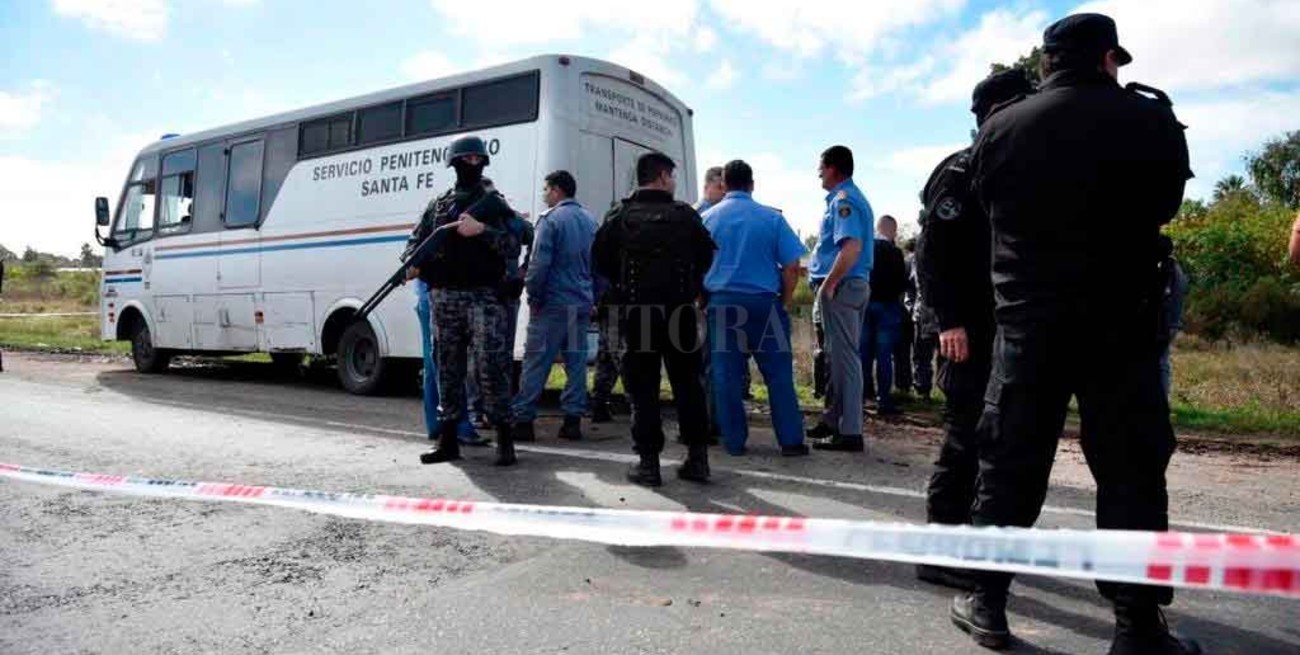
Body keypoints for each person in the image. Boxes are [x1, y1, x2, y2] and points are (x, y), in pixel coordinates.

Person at [951, 14, 1197, 654]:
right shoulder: (1149, 120)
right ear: (1108, 58)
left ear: (1047, 62)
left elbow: (989, 210)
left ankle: (988, 601)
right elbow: (1166, 204)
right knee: (1132, 472)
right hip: (1122, 326)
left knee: (1010, 462)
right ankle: (1136, 623)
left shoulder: (1002, 127)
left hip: (1031, 326)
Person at [913, 68, 1035, 592]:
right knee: (964, 437)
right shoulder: (961, 171)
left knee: (997, 440)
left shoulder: (1019, 163)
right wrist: (949, 321)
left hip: (1010, 324)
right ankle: (941, 548)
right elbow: (931, 253)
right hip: (966, 328)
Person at [592, 152, 716, 486]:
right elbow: (706, 255)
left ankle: (648, 465)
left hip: (635, 314)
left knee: (642, 389)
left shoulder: (619, 214)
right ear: (662, 176)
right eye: (672, 176)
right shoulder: (685, 215)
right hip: (679, 312)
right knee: (688, 385)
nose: (674, 182)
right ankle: (697, 459)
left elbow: (599, 259)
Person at [410, 135, 523, 468]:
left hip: (484, 297)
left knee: (491, 368)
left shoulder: (495, 205)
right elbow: (416, 241)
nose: (472, 164)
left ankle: (505, 441)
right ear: (454, 163)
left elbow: (513, 246)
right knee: (447, 368)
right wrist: (412, 263)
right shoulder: (437, 205)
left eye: (478, 159)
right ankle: (448, 441)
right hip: (444, 297)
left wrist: (483, 231)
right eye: (466, 159)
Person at [701, 160, 808, 456]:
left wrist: (703, 301)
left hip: (722, 305)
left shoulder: (707, 219)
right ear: (752, 184)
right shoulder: (771, 219)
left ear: (725, 185)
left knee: (725, 375)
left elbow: (695, 267)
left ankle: (734, 442)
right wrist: (784, 301)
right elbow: (791, 266)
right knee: (778, 374)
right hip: (764, 304)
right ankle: (791, 441)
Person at [511, 171, 598, 442]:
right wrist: (593, 296)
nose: (544, 195)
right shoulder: (590, 220)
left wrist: (534, 298)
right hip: (581, 304)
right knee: (576, 364)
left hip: (552, 304)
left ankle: (524, 421)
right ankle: (572, 423)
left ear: (557, 191)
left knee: (536, 363)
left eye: (546, 189)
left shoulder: (550, 221)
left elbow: (538, 266)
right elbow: (599, 268)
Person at [805, 145, 874, 452]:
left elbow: (852, 247)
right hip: (847, 286)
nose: (818, 172)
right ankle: (834, 421)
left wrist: (828, 284)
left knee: (846, 360)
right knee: (838, 357)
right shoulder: (844, 198)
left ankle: (850, 432)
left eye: (821, 166)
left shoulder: (844, 200)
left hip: (843, 287)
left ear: (832, 168)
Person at [465, 177, 533, 431]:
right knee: (485, 356)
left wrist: (523, 272)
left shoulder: (508, 218)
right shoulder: (480, 218)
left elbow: (533, 238)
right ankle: (482, 411)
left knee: (491, 356)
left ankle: (487, 412)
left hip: (500, 296)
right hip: (492, 295)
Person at [859, 215, 907, 416]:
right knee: (884, 356)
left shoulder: (863, 248)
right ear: (892, 230)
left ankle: (860, 398)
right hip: (887, 307)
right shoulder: (895, 252)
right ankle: (883, 400)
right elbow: (901, 283)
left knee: (863, 354)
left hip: (865, 304)